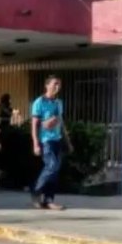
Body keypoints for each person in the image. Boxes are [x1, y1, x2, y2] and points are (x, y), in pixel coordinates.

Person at [30, 75, 73, 210]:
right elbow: (34, 124)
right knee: (51, 165)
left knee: (55, 171)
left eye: (59, 85)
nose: (57, 87)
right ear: (47, 85)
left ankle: (49, 200)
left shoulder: (59, 103)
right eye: (54, 84)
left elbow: (61, 122)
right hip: (45, 140)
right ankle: (36, 191)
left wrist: (68, 141)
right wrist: (36, 143)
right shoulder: (39, 102)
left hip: (57, 139)